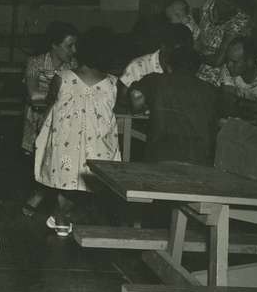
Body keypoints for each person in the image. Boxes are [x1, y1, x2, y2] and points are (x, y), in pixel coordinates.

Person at [34, 29, 121, 236]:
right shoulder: (112, 83)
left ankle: (62, 218)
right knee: (91, 182)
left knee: (66, 179)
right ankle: (73, 219)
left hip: (67, 144)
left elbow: (50, 104)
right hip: (97, 146)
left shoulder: (62, 78)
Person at [20, 21, 77, 218]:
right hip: (38, 120)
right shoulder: (35, 63)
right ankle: (42, 192)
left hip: (64, 123)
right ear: (54, 45)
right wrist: (60, 98)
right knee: (43, 158)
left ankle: (57, 197)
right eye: (69, 45)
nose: (74, 50)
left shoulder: (74, 66)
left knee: (64, 158)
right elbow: (33, 95)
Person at [129, 45, 221, 165]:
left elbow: (136, 97)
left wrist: (144, 106)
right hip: (199, 160)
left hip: (161, 157)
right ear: (197, 69)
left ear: (168, 66)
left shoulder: (156, 81)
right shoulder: (210, 90)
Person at [195, 0, 255, 85]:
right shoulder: (208, 4)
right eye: (224, 3)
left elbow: (219, 60)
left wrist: (195, 55)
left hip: (220, 76)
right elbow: (199, 36)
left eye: (232, 5)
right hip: (197, 63)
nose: (228, 8)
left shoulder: (241, 20)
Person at [119, 21, 193, 89]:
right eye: (177, 51)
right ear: (163, 47)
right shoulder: (136, 67)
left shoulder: (191, 66)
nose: (182, 55)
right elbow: (123, 100)